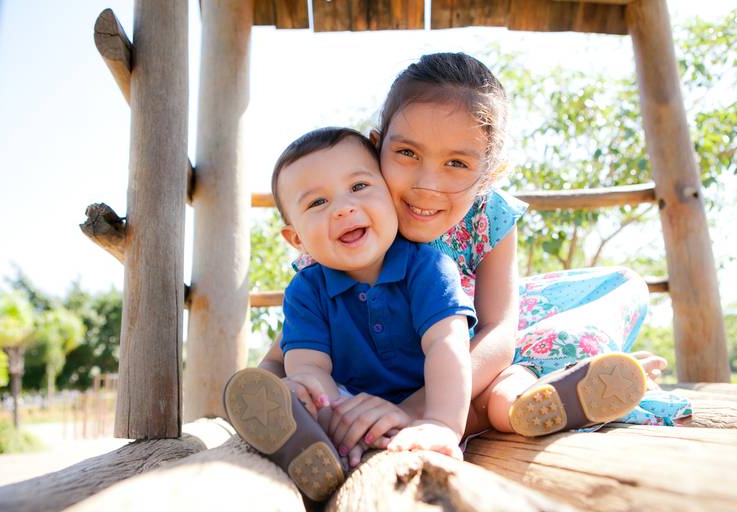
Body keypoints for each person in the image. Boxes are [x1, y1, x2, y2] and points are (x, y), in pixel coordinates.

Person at [258, 53, 685, 465]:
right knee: (490, 397)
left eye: (457, 163)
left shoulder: (487, 214)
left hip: (481, 357)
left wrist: (417, 412)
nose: (428, 185)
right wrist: (273, 393)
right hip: (379, 387)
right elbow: (299, 343)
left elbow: (499, 330)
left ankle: (530, 390)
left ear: (489, 176)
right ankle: (515, 400)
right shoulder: (348, 214)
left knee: (617, 287)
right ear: (377, 147)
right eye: (406, 153)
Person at [224, 126, 477, 501]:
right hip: (349, 401)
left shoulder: (428, 267)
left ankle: (336, 443)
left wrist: (440, 423)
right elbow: (309, 368)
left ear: (391, 197)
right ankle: (319, 446)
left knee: (484, 395)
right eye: (317, 203)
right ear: (296, 239)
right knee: (298, 389)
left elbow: (446, 345)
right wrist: (340, 418)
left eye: (359, 187)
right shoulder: (306, 290)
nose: (343, 207)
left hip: (426, 398)